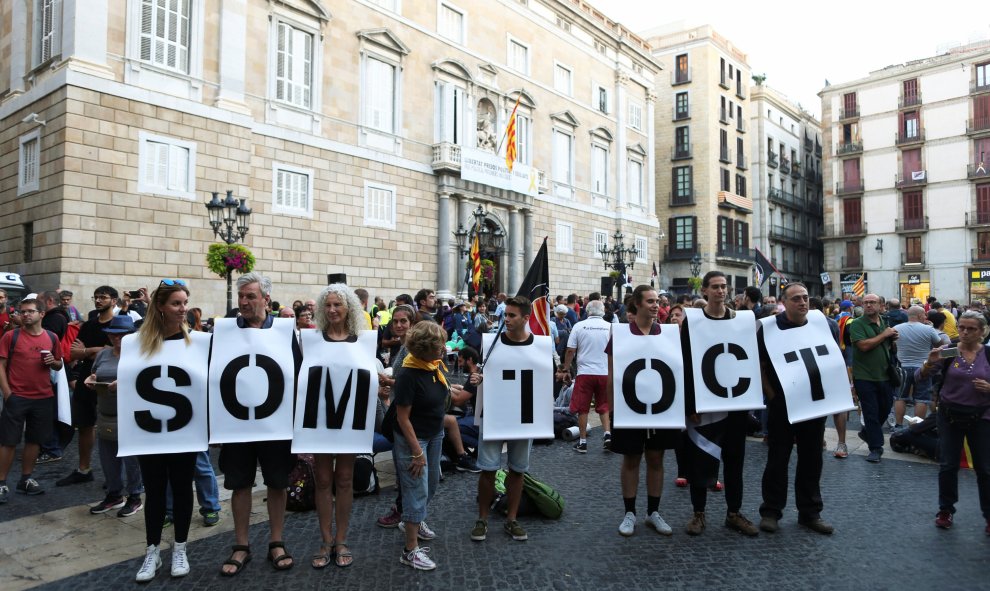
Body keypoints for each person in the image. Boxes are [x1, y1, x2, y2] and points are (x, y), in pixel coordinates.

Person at [219, 273, 297, 576]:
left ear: (266, 299)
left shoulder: (283, 331)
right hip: (237, 424)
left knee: (278, 482)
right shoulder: (225, 331)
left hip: (275, 424)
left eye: (250, 296)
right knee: (239, 483)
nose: (243, 302)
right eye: (241, 296)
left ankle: (276, 541)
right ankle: (241, 545)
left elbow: (296, 372)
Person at [681, 272, 758, 536]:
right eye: (715, 287)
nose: (721, 291)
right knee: (700, 460)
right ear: (704, 291)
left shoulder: (742, 321)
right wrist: (689, 405)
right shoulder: (692, 323)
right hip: (705, 404)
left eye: (724, 286)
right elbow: (686, 365)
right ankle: (698, 513)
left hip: (735, 404)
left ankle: (734, 513)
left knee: (735, 461)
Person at [132, 280, 198, 581]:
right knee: (155, 490)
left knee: (183, 488)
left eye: (185, 302)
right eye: (176, 303)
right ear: (160, 306)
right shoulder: (139, 343)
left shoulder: (196, 341)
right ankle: (152, 550)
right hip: (150, 430)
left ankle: (180, 547)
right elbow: (135, 379)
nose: (182, 309)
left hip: (185, 429)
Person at [757, 282, 834, 535]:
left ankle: (810, 513)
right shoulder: (768, 329)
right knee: (777, 459)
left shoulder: (824, 324)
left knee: (812, 459)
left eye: (805, 297)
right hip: (783, 406)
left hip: (814, 403)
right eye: (796, 299)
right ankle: (771, 511)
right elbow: (760, 366)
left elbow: (831, 360)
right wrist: (772, 397)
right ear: (784, 303)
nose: (803, 302)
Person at [606, 285, 677, 537]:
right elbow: (612, 373)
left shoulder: (669, 333)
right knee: (632, 458)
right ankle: (630, 513)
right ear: (636, 304)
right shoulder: (622, 334)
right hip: (629, 407)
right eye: (650, 301)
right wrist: (612, 407)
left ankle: (653, 512)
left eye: (657, 301)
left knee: (656, 458)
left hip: (661, 408)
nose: (656, 305)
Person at [472, 296, 538, 543]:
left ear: (525, 318)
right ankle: (482, 519)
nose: (506, 320)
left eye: (512, 316)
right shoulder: (490, 343)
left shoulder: (539, 345)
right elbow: (481, 372)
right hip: (495, 414)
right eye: (505, 315)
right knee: (488, 468)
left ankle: (512, 519)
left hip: (524, 416)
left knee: (517, 470)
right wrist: (477, 380)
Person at [918, 311, 990, 533]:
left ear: (982, 331)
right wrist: (929, 364)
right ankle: (945, 510)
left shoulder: (988, 354)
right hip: (949, 416)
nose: (965, 332)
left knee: (985, 468)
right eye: (961, 328)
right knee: (948, 465)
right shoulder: (949, 351)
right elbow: (919, 379)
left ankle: (988, 515)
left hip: (982, 417)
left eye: (971, 329)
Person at [310, 284, 366, 569]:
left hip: (347, 421)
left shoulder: (362, 342)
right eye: (328, 305)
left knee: (344, 478)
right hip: (319, 420)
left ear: (348, 309)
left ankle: (341, 539)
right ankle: (325, 539)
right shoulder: (311, 340)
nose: (332, 310)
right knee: (321, 480)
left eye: (337, 305)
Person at [392, 321, 450, 570]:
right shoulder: (409, 373)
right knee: (416, 490)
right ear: (426, 347)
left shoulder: (432, 366)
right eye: (440, 344)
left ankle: (412, 521)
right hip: (414, 439)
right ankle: (410, 549)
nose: (444, 348)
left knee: (431, 484)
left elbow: (436, 395)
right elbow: (402, 417)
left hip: (435, 433)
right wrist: (416, 452)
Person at [0, 298, 64, 502]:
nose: (25, 315)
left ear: (41, 314)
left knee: (35, 440)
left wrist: (52, 362)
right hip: (16, 396)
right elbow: (0, 365)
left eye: (30, 311)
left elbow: (59, 365)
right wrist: (7, 392)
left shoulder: (52, 337)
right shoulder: (11, 336)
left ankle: (25, 479)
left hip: (43, 396)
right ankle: (1, 483)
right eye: (23, 311)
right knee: (8, 441)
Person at [85, 315, 144, 518]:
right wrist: (91, 379)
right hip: (105, 412)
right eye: (113, 335)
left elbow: (145, 381)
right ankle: (114, 494)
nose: (116, 339)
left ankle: (135, 496)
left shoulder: (139, 355)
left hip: (129, 414)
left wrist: (125, 382)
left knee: (131, 460)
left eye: (121, 335)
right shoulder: (103, 355)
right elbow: (95, 373)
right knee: (107, 458)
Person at [58, 286, 117, 487]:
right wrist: (97, 351)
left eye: (104, 297)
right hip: (85, 380)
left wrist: (89, 350)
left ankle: (115, 474)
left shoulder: (118, 325)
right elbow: (73, 352)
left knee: (112, 428)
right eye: (97, 297)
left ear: (114, 301)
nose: (99, 300)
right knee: (84, 425)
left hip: (109, 383)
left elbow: (117, 350)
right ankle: (84, 469)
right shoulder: (88, 325)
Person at [850, 293, 899, 463]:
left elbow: (887, 347)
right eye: (866, 303)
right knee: (871, 412)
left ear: (881, 305)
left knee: (885, 408)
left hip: (885, 374)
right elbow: (863, 346)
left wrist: (892, 341)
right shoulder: (856, 324)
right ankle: (876, 448)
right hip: (864, 376)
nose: (869, 305)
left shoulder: (884, 322)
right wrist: (884, 335)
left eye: (873, 302)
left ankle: (867, 433)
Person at [561, 300, 612, 453]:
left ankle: (582, 442)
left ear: (587, 311)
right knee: (604, 406)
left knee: (582, 408)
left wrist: (566, 369)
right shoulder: (611, 327)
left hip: (585, 372)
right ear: (603, 311)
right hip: (604, 372)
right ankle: (607, 434)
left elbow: (570, 350)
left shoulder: (579, 326)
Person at [892, 306, 944, 429]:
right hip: (923, 368)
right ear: (920, 316)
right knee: (921, 398)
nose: (925, 317)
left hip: (902, 367)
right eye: (924, 315)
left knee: (900, 397)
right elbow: (940, 345)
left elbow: (892, 346)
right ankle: (916, 427)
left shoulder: (896, 328)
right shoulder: (928, 329)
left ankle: (898, 425)